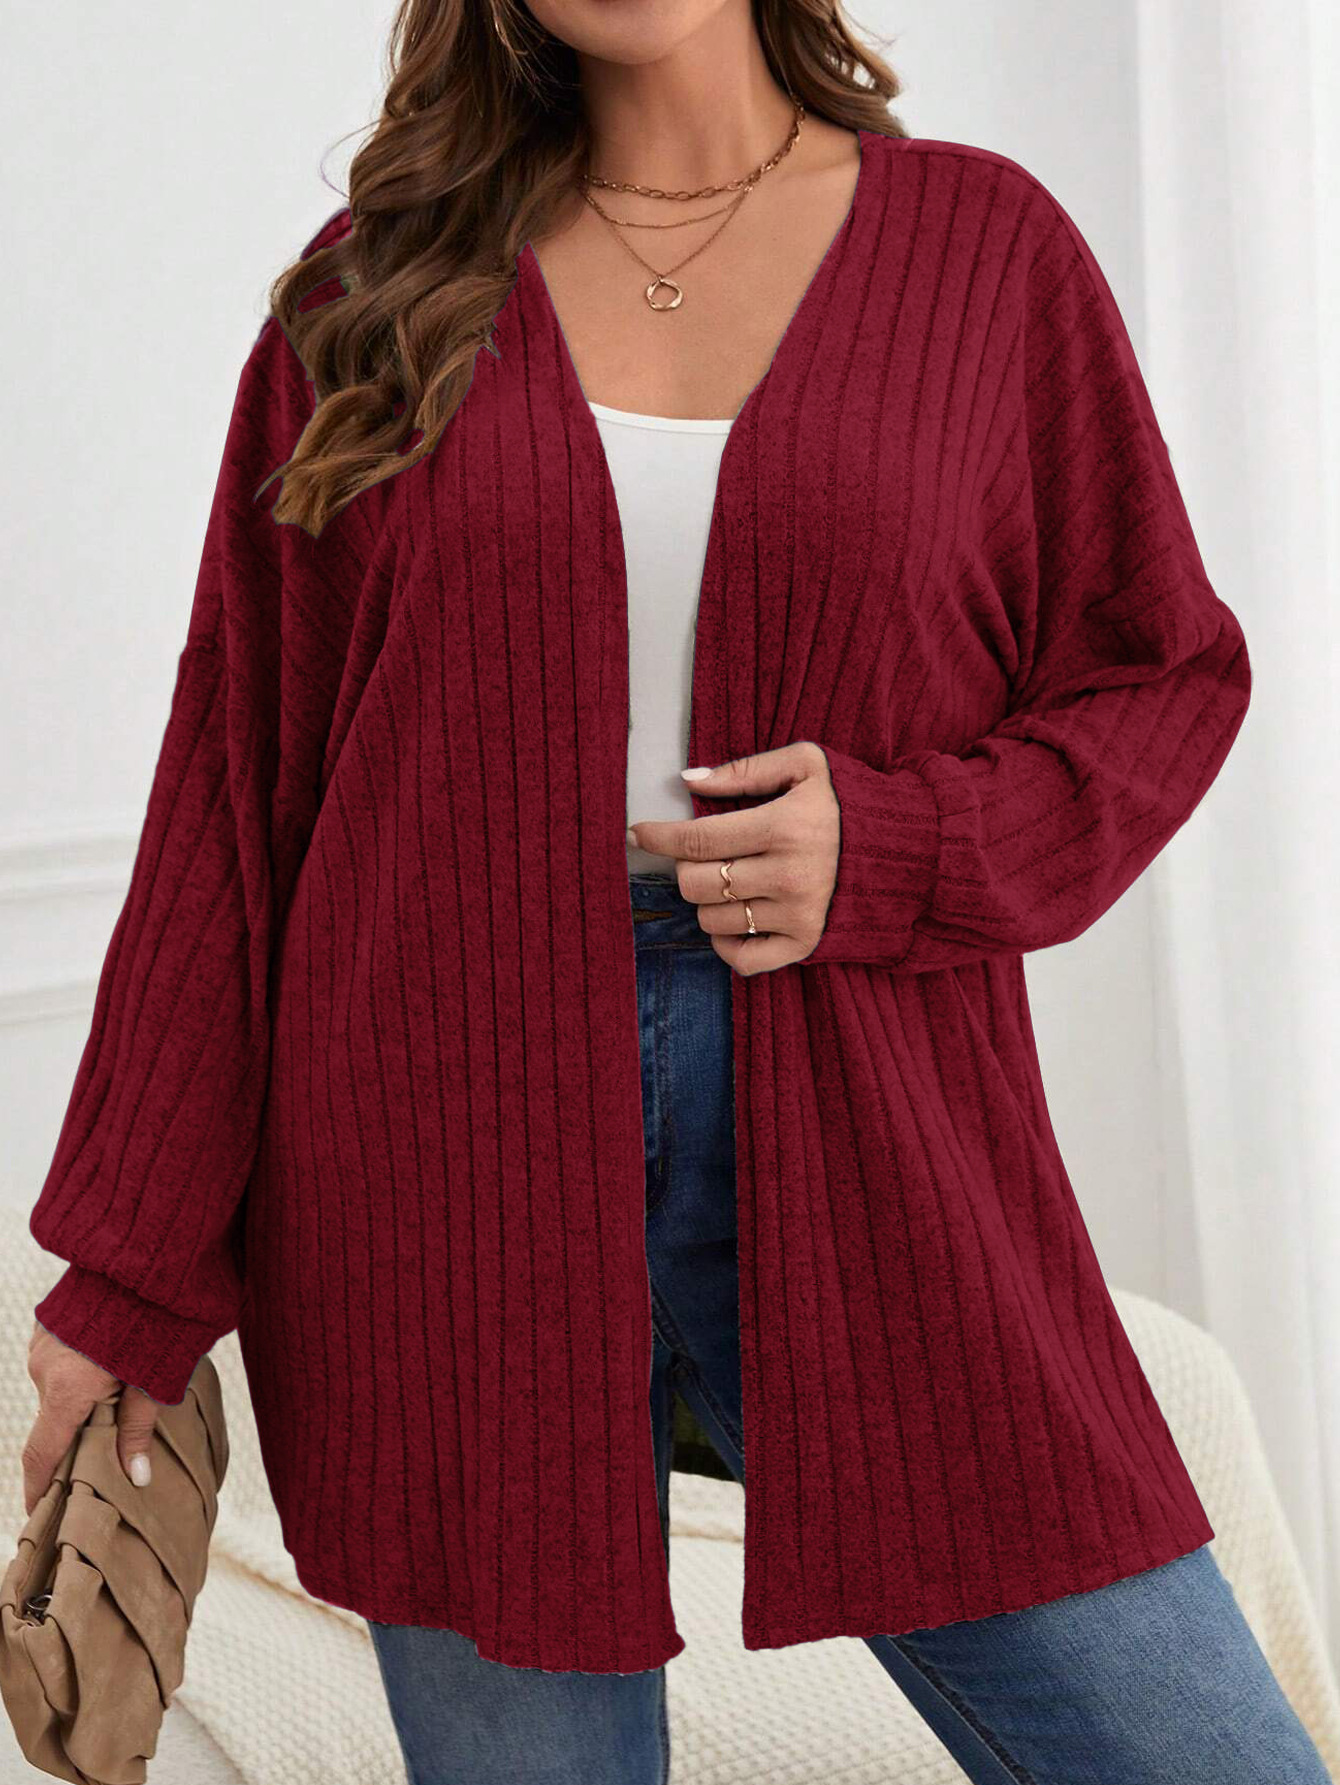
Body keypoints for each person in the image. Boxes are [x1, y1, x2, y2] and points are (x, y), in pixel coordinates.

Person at [21, 0, 1331, 1779]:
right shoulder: (373, 289)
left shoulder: (987, 250)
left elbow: (1159, 675)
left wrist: (897, 844)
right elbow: (236, 791)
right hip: (435, 1163)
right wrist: (125, 1278)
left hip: (871, 1114)